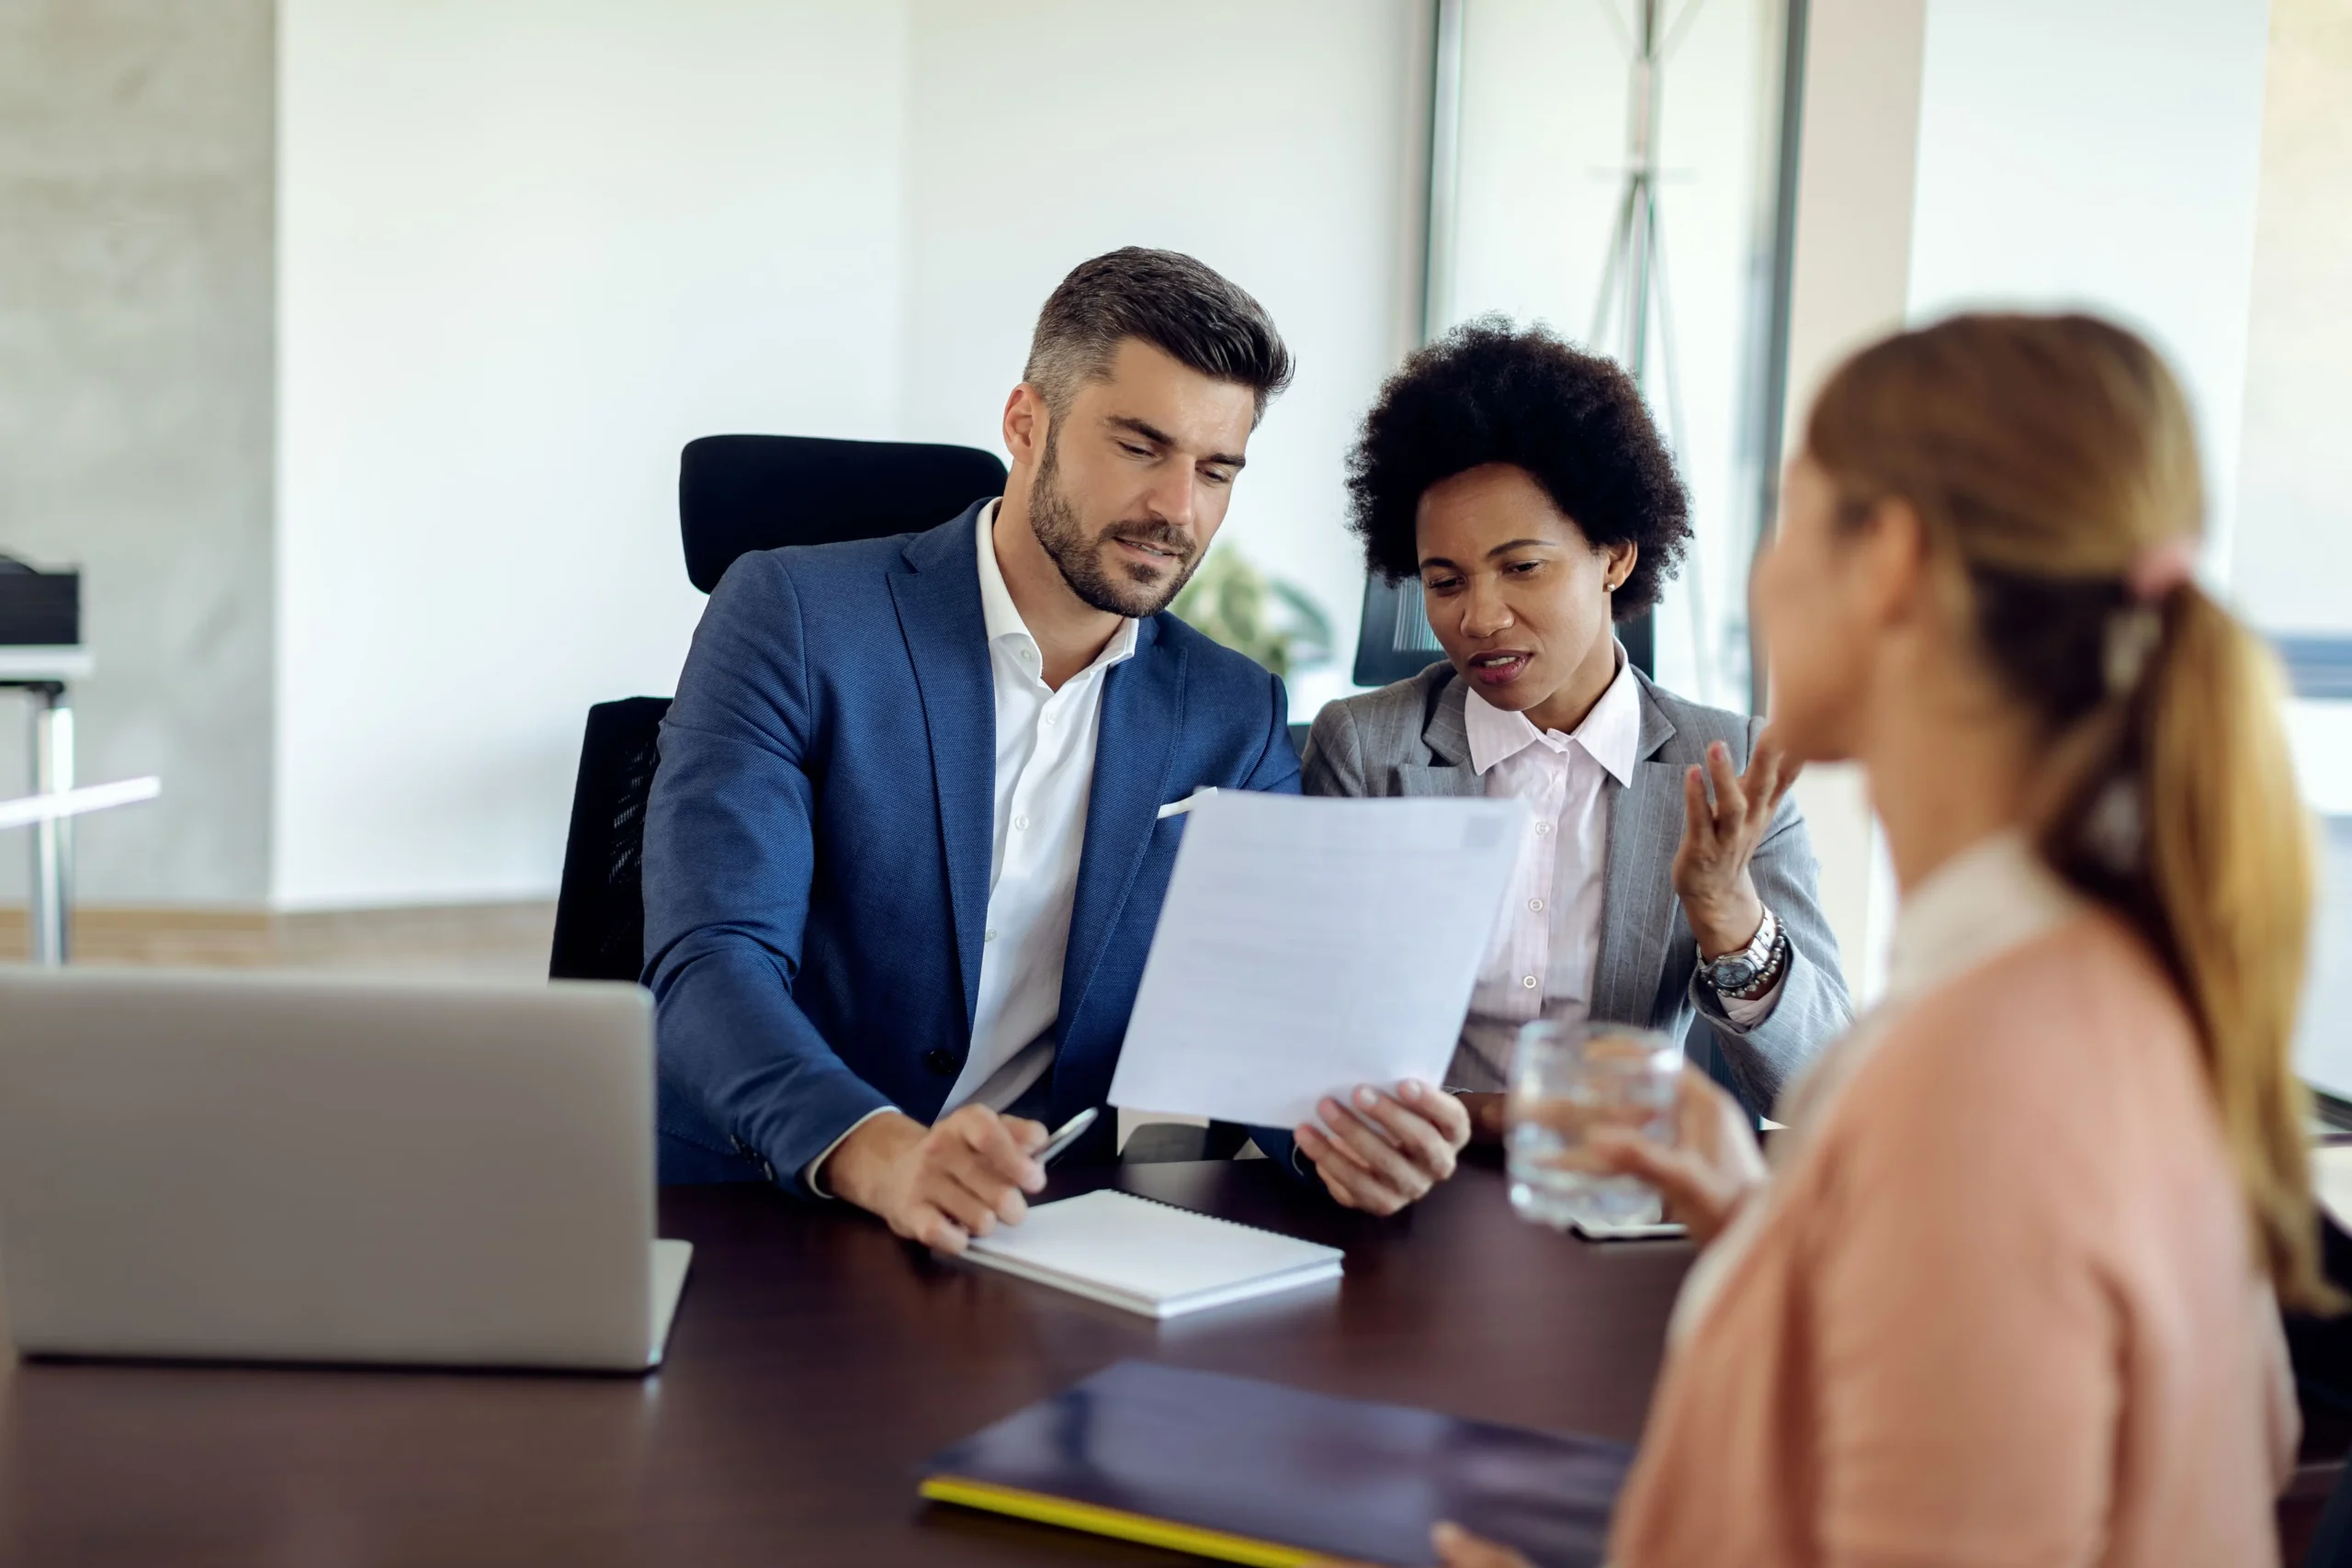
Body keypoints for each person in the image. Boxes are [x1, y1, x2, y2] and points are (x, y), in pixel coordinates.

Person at [1432, 313, 2320, 1566]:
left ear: (1891, 558)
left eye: (1792, 516)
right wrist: (1777, 1236)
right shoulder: (2121, 993)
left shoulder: (1970, 1083)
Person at [640, 248, 1302, 1254]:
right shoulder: (792, 616)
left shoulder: (1232, 711)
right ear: (1024, 424)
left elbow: (1255, 1010)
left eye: (1216, 470)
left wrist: (1334, 1133)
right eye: (1138, 446)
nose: (1179, 509)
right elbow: (713, 962)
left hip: (1026, 1238)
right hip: (756, 1211)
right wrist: (880, 1150)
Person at [1288, 321, 1848, 1216]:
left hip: (1618, 1211)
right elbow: (1312, 1047)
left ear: (1613, 558)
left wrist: (1727, 916)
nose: (1479, 615)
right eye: (1444, 580)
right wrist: (1504, 1117)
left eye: (1522, 568)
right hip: (1407, 1198)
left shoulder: (1727, 765)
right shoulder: (1366, 749)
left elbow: (1819, 1088)